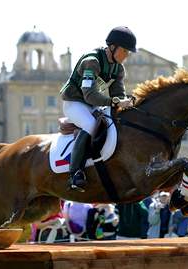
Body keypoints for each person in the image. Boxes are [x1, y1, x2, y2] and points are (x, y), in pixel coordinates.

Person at [60, 26, 137, 192]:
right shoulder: (92, 61)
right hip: (75, 102)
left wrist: (127, 102)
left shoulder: (118, 68)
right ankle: (75, 173)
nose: (127, 55)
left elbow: (118, 93)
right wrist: (115, 102)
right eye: (125, 51)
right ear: (112, 47)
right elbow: (89, 95)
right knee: (90, 124)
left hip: (94, 104)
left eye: (128, 52)